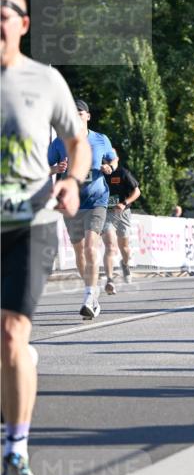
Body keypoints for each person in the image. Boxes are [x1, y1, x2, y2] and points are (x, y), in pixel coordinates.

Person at [1, 0, 91, 475]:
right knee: (9, 346)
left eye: (3, 12)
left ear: (23, 24)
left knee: (12, 332)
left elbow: (77, 142)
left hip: (27, 226)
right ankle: (16, 369)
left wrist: (72, 180)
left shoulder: (45, 80)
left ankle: (15, 451)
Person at [48, 100, 117, 319]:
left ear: (87, 116)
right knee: (79, 252)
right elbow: (44, 168)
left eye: (79, 113)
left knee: (90, 247)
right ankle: (92, 293)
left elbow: (113, 159)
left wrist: (110, 167)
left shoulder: (100, 139)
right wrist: (56, 168)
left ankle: (88, 297)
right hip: (72, 203)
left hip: (97, 200)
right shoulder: (59, 142)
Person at [101, 159, 141, 293]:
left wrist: (124, 203)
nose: (106, 160)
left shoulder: (122, 172)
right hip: (105, 213)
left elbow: (137, 192)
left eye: (109, 157)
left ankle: (125, 264)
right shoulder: (98, 173)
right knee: (110, 246)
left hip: (123, 212)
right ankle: (110, 280)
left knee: (124, 247)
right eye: (104, 158)